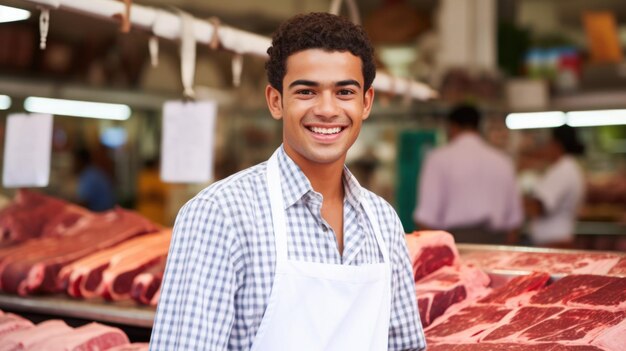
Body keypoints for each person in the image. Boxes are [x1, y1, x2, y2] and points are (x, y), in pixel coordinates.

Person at [150, 13, 426, 351]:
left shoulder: (383, 221)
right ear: (276, 101)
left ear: (365, 102)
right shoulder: (220, 215)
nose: (327, 109)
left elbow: (406, 347)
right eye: (307, 91)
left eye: (344, 92)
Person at [413, 104, 523, 244]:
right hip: (496, 247)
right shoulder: (503, 161)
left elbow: (425, 218)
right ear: (478, 126)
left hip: (455, 245)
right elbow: (515, 223)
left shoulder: (438, 159)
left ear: (452, 127)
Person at [525, 125, 585, 248]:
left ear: (556, 144)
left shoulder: (563, 170)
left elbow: (539, 207)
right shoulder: (568, 167)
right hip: (556, 238)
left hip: (553, 241)